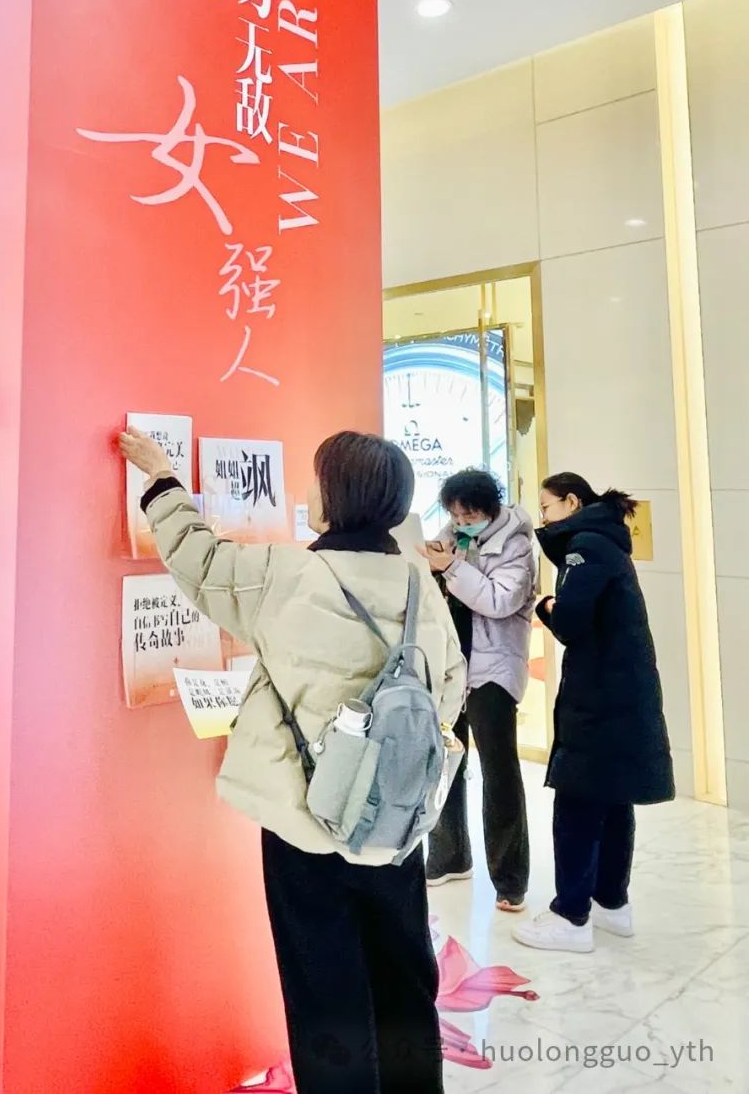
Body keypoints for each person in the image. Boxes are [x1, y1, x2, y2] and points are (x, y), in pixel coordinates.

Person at [120, 427, 465, 1094]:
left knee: (324, 988)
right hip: (395, 824)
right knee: (403, 976)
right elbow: (449, 685)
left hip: (304, 820)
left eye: (317, 478)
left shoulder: (287, 575)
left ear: (334, 496)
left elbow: (198, 560)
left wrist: (161, 478)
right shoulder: (417, 582)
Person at [513, 473, 674, 954]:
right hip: (622, 694)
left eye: (547, 507)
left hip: (599, 698)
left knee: (579, 802)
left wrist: (546, 606)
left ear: (572, 501)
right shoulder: (607, 541)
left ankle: (571, 915)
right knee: (613, 797)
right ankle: (611, 904)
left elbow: (570, 623)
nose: (543, 517)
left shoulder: (585, 546)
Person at [420, 469, 536, 913]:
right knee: (445, 763)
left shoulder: (516, 544)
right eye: (454, 515)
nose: (460, 522)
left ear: (489, 508)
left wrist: (451, 567)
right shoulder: (449, 536)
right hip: (452, 668)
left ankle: (510, 879)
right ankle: (449, 856)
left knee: (499, 772)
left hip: (494, 671)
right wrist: (430, 564)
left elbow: (499, 600)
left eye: (468, 515)